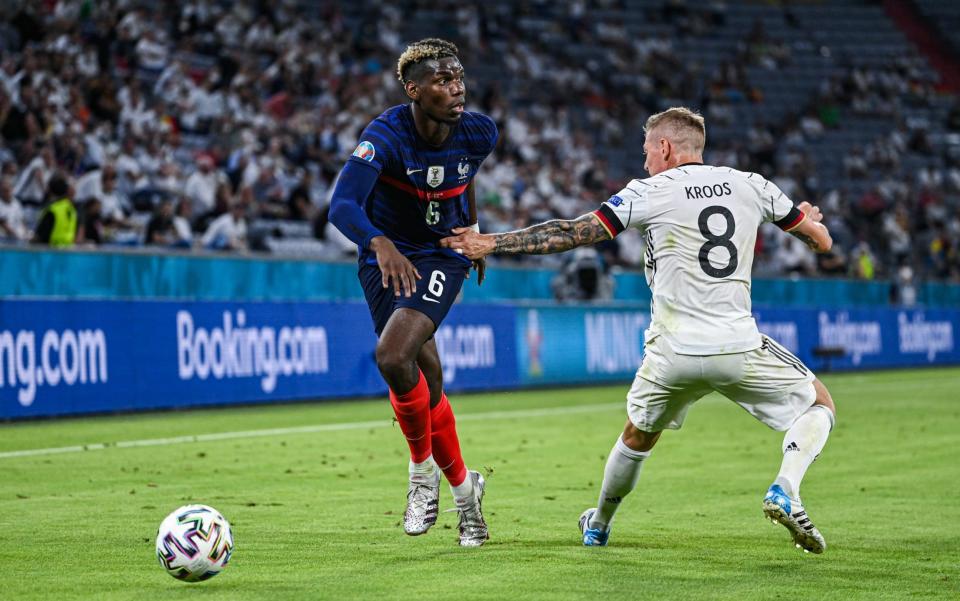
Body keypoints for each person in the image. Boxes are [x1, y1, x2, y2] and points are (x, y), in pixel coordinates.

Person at [441, 107, 837, 554]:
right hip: (737, 345)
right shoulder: (754, 184)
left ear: (665, 148)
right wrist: (805, 219)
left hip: (672, 352)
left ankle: (599, 524)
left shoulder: (650, 190)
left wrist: (491, 241)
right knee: (819, 403)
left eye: (647, 150)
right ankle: (785, 487)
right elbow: (820, 241)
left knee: (637, 435)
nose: (645, 159)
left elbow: (574, 233)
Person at [329, 38, 498, 547]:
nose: (456, 87)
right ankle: (467, 496)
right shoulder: (384, 135)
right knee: (424, 374)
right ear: (413, 90)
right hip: (386, 254)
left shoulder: (479, 131)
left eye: (458, 77)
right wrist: (379, 243)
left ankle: (421, 475)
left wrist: (470, 231)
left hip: (443, 252)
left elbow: (463, 178)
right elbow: (342, 206)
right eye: (442, 80)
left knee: (392, 354)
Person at [32, 172, 77, 247]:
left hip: (51, 254)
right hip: (67, 255)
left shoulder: (52, 211)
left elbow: (40, 238)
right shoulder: (72, 209)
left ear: (49, 190)